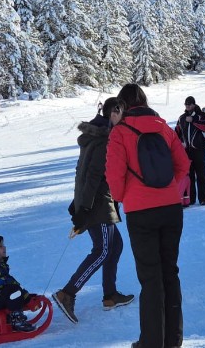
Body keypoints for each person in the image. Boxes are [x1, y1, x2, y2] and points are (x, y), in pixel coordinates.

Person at [106, 83, 190, 348]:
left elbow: (114, 179)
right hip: (171, 209)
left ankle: (151, 343)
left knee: (151, 278)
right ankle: (173, 340)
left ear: (123, 105)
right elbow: (184, 164)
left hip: (141, 212)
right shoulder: (164, 127)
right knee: (170, 273)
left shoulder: (119, 133)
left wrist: (128, 196)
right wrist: (167, 189)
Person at [52, 98, 134, 324]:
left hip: (95, 201)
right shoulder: (105, 139)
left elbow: (82, 170)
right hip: (98, 203)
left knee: (114, 245)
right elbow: (93, 175)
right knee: (103, 250)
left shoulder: (95, 135)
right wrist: (84, 207)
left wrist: (77, 201)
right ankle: (67, 293)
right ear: (114, 113)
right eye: (122, 114)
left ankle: (110, 295)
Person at [175, 96, 205, 206]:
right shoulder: (182, 118)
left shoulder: (201, 115)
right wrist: (178, 144)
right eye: (186, 104)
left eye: (190, 104)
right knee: (189, 175)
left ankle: (203, 198)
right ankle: (190, 199)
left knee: (201, 174)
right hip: (186, 151)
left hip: (199, 149)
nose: (188, 106)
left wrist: (194, 120)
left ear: (194, 104)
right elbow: (177, 132)